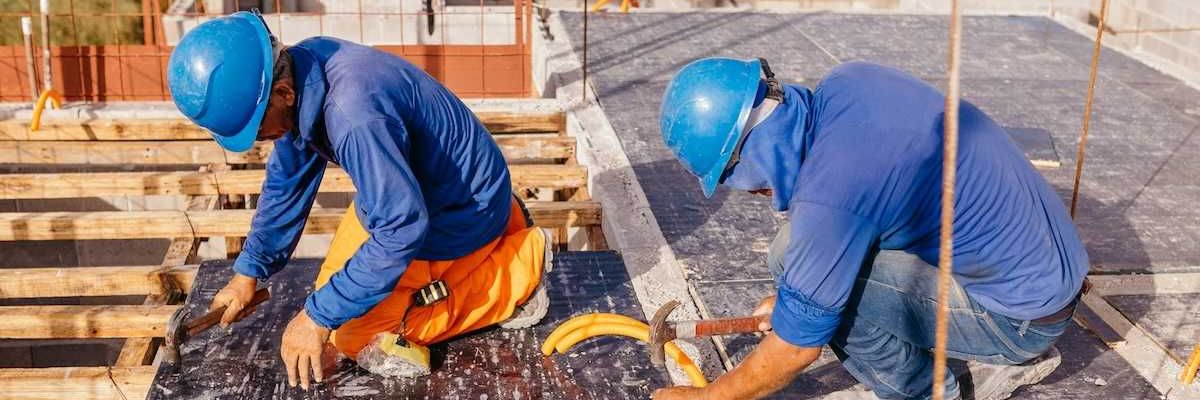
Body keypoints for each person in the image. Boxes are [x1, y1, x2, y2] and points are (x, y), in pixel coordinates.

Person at [652, 58, 1087, 400]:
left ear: (746, 157)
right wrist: (793, 297)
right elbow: (873, 204)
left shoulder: (834, 194)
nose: (754, 193)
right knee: (800, 269)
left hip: (1021, 317)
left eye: (738, 181)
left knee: (814, 292)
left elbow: (796, 348)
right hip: (1047, 275)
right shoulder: (848, 82)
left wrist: (713, 395)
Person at [166, 11, 553, 390]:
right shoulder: (304, 67)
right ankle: (506, 223)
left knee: (356, 335)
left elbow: (400, 231)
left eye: (254, 128)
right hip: (411, 194)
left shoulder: (353, 116)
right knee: (334, 295)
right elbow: (287, 184)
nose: (254, 140)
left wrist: (316, 319)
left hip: (459, 211)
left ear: (282, 93)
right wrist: (247, 274)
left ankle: (518, 269)